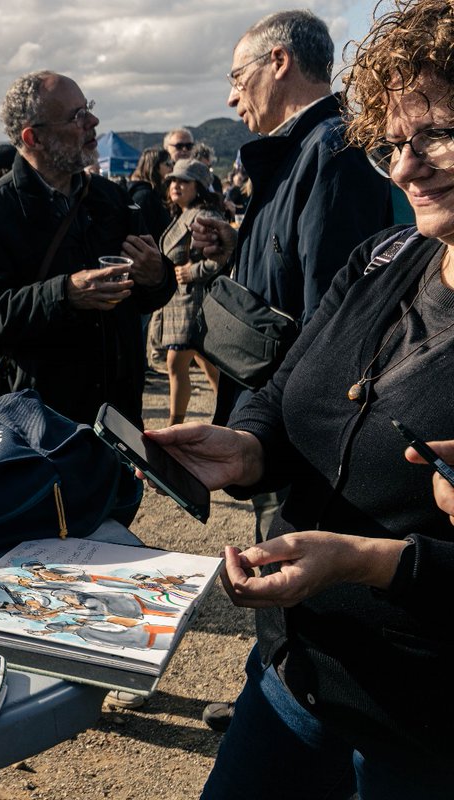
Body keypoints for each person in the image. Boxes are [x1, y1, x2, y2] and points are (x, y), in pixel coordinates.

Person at [156, 5, 454, 792]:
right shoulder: (385, 255)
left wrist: (364, 562)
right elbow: (290, 382)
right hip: (293, 678)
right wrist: (249, 448)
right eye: (393, 144)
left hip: (423, 729)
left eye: (435, 136)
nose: (405, 168)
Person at [190, 8, 395, 734]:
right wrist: (231, 256)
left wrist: (277, 422)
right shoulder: (303, 149)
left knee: (293, 561)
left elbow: (334, 311)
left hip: (305, 418)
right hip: (276, 410)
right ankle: (267, 692)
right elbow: (292, 273)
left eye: (237, 76)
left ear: (280, 63)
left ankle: (284, 697)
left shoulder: (333, 148)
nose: (230, 97)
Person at [0, 71, 173, 426]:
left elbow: (148, 298)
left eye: (88, 108)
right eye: (77, 116)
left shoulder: (113, 200)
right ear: (33, 137)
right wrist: (66, 293)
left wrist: (156, 275)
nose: (93, 121)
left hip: (117, 416)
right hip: (39, 420)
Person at [157, 159, 224, 425]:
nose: (175, 185)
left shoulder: (204, 216)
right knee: (207, 363)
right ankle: (231, 414)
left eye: (183, 181)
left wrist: (192, 271)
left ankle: (174, 425)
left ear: (198, 186)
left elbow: (223, 256)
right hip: (181, 301)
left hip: (196, 300)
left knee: (177, 362)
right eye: (173, 180)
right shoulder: (183, 214)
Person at [127, 147, 173, 238]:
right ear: (154, 167)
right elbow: (140, 232)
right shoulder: (144, 196)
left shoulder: (155, 193)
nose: (172, 167)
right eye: (168, 164)